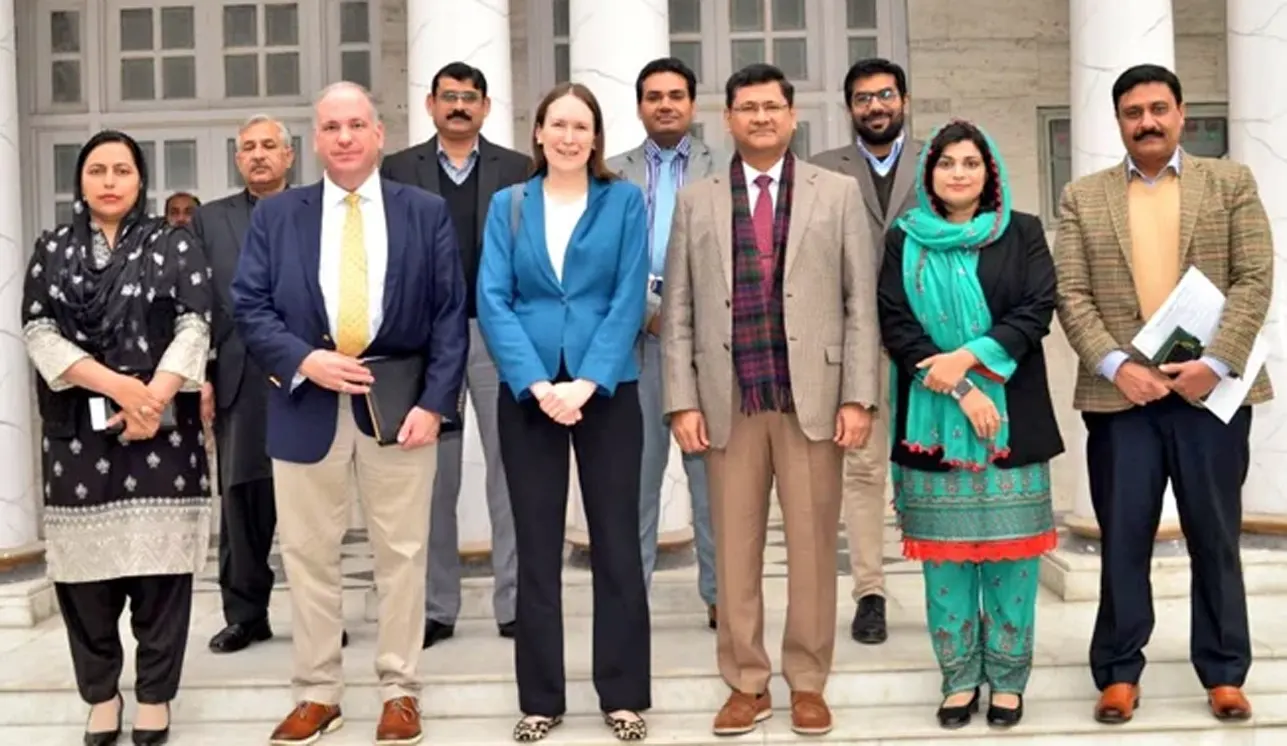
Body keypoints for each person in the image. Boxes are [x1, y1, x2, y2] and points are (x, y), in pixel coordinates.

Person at [231, 81, 468, 746]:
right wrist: (306, 359)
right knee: (307, 556)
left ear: (378, 134)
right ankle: (317, 693)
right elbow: (249, 304)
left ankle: (399, 691)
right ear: (315, 140)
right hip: (304, 402)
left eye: (356, 125)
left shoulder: (424, 212)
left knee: (403, 554)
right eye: (331, 127)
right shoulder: (278, 216)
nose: (344, 137)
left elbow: (450, 315)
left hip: (400, 410)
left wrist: (435, 404)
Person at [659, 63, 880, 738]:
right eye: (747, 108)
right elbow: (677, 311)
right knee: (734, 550)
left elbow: (859, 304)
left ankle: (807, 682)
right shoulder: (696, 200)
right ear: (726, 119)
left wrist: (858, 397)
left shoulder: (835, 193)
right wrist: (681, 402)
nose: (760, 118)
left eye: (771, 107)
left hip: (811, 397)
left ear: (792, 116)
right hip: (727, 400)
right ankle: (745, 683)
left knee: (813, 548)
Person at [1054, 63, 1272, 725]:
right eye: (1132, 112)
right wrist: (1117, 365)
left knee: (1215, 535)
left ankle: (1225, 672)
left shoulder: (1230, 182)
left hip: (1210, 396)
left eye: (1157, 109)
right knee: (1123, 537)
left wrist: (1217, 361)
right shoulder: (1083, 197)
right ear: (1118, 121)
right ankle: (1118, 672)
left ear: (1180, 113)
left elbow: (1254, 276)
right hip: (1123, 400)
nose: (1145, 122)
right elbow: (1071, 294)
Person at [21, 129, 213, 746]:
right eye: (97, 170)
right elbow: (39, 333)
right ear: (80, 180)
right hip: (78, 434)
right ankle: (102, 695)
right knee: (86, 585)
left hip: (162, 432)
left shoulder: (174, 243)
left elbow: (195, 325)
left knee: (162, 580)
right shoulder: (52, 249)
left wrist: (151, 399)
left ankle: (155, 695)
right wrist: (122, 388)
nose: (109, 182)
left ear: (140, 180)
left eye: (122, 170)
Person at [477, 82, 651, 742]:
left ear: (596, 137)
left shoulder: (623, 201)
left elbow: (629, 295)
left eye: (582, 126)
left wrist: (587, 382)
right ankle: (541, 699)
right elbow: (493, 298)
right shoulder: (509, 204)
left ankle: (623, 696)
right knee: (535, 546)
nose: (570, 137)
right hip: (530, 394)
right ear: (539, 133)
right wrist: (535, 382)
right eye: (559, 124)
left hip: (606, 390)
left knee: (617, 545)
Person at [877, 120, 1063, 729]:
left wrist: (967, 359)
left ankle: (1007, 680)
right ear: (928, 173)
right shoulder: (904, 239)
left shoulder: (1022, 232)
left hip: (1013, 422)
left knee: (1014, 561)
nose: (958, 173)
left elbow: (1037, 309)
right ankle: (958, 678)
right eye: (946, 163)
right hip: (932, 422)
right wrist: (959, 386)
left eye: (970, 163)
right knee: (947, 561)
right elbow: (896, 324)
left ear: (991, 173)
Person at [381, 61, 532, 648]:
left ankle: (515, 604)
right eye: (449, 97)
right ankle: (436, 606)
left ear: (487, 107)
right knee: (431, 480)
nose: (460, 106)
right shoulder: (398, 170)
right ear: (431, 105)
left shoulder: (518, 169)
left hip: (499, 336)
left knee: (510, 473)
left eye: (470, 97)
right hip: (427, 343)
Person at [606, 56, 724, 630]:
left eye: (676, 95)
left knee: (714, 484)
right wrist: (650, 313)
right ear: (639, 107)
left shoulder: (724, 168)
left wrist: (684, 316)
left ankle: (722, 597)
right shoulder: (610, 174)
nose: (666, 105)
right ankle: (631, 601)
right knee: (635, 483)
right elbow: (601, 263)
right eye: (654, 97)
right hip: (635, 346)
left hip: (707, 348)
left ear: (692, 104)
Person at [810, 57, 921, 645]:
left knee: (936, 464)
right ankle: (870, 592)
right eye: (863, 98)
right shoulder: (823, 170)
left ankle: (951, 579)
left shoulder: (940, 160)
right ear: (849, 108)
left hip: (930, 342)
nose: (875, 106)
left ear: (903, 100)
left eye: (885, 95)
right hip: (858, 339)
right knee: (863, 468)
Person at [195, 114, 309, 655]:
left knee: (312, 504)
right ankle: (245, 615)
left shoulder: (316, 209)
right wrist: (200, 376)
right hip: (238, 377)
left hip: (309, 376)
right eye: (248, 147)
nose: (259, 154)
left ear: (290, 155)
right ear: (238, 159)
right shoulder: (208, 220)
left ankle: (317, 616)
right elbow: (194, 303)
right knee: (241, 502)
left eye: (269, 145)